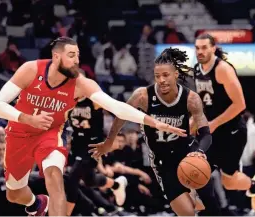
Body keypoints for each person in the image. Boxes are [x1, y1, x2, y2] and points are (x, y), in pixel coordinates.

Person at [0, 36, 186, 216]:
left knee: (56, 176)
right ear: (56, 57)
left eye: (78, 56)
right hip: (20, 133)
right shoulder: (31, 69)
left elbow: (117, 107)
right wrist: (27, 118)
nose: (77, 60)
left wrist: (154, 121)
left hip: (52, 135)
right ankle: (36, 204)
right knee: (14, 195)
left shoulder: (81, 84)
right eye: (71, 55)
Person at [89, 47, 220, 216]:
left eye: (166, 75)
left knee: (212, 206)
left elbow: (205, 133)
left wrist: (200, 151)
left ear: (176, 75)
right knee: (187, 213)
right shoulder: (142, 96)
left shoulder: (191, 98)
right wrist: (109, 142)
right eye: (157, 76)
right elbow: (121, 115)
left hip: (188, 153)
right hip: (162, 161)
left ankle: (200, 198)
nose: (162, 80)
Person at [193, 33, 255, 212]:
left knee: (229, 181)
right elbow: (203, 103)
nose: (200, 51)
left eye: (204, 47)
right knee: (194, 170)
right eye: (197, 48)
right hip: (212, 132)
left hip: (232, 132)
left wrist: (214, 123)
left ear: (213, 48)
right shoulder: (196, 70)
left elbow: (240, 104)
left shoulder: (222, 69)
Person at [65, 96, 127, 216]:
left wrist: (111, 138)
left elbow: (118, 109)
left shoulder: (94, 100)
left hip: (93, 146)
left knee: (72, 179)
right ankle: (117, 184)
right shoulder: (69, 98)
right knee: (89, 180)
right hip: (76, 145)